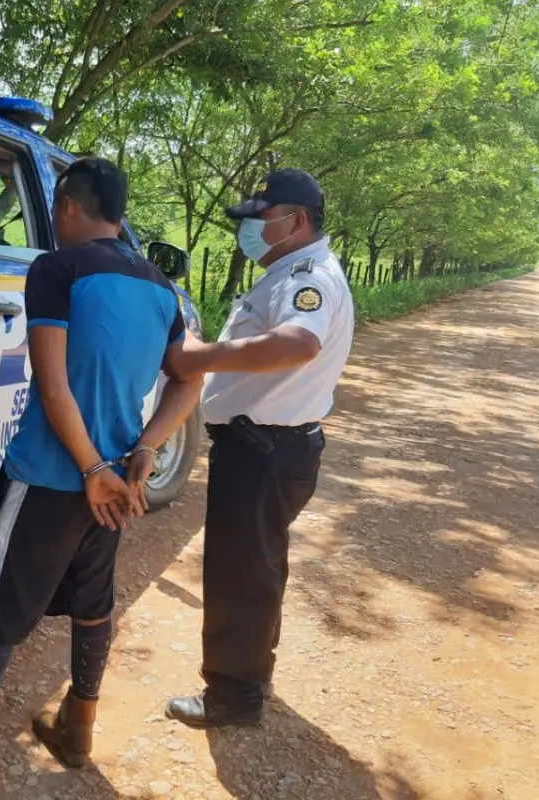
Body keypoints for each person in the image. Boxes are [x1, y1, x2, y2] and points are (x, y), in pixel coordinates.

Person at [0, 157, 203, 786]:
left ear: (68, 207)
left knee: (1, 609)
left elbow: (52, 387)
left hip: (51, 475)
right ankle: (78, 729)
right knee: (94, 601)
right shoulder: (161, 287)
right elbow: (189, 381)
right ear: (121, 213)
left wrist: (90, 465)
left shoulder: (57, 269)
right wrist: (143, 452)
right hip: (117, 485)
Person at [162, 168, 355, 728]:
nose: (249, 228)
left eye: (259, 218)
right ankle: (250, 674)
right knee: (257, 566)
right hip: (268, 448)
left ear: (295, 220)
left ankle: (235, 697)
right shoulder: (285, 272)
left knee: (240, 573)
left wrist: (201, 357)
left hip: (264, 450)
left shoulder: (307, 275)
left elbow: (299, 341)